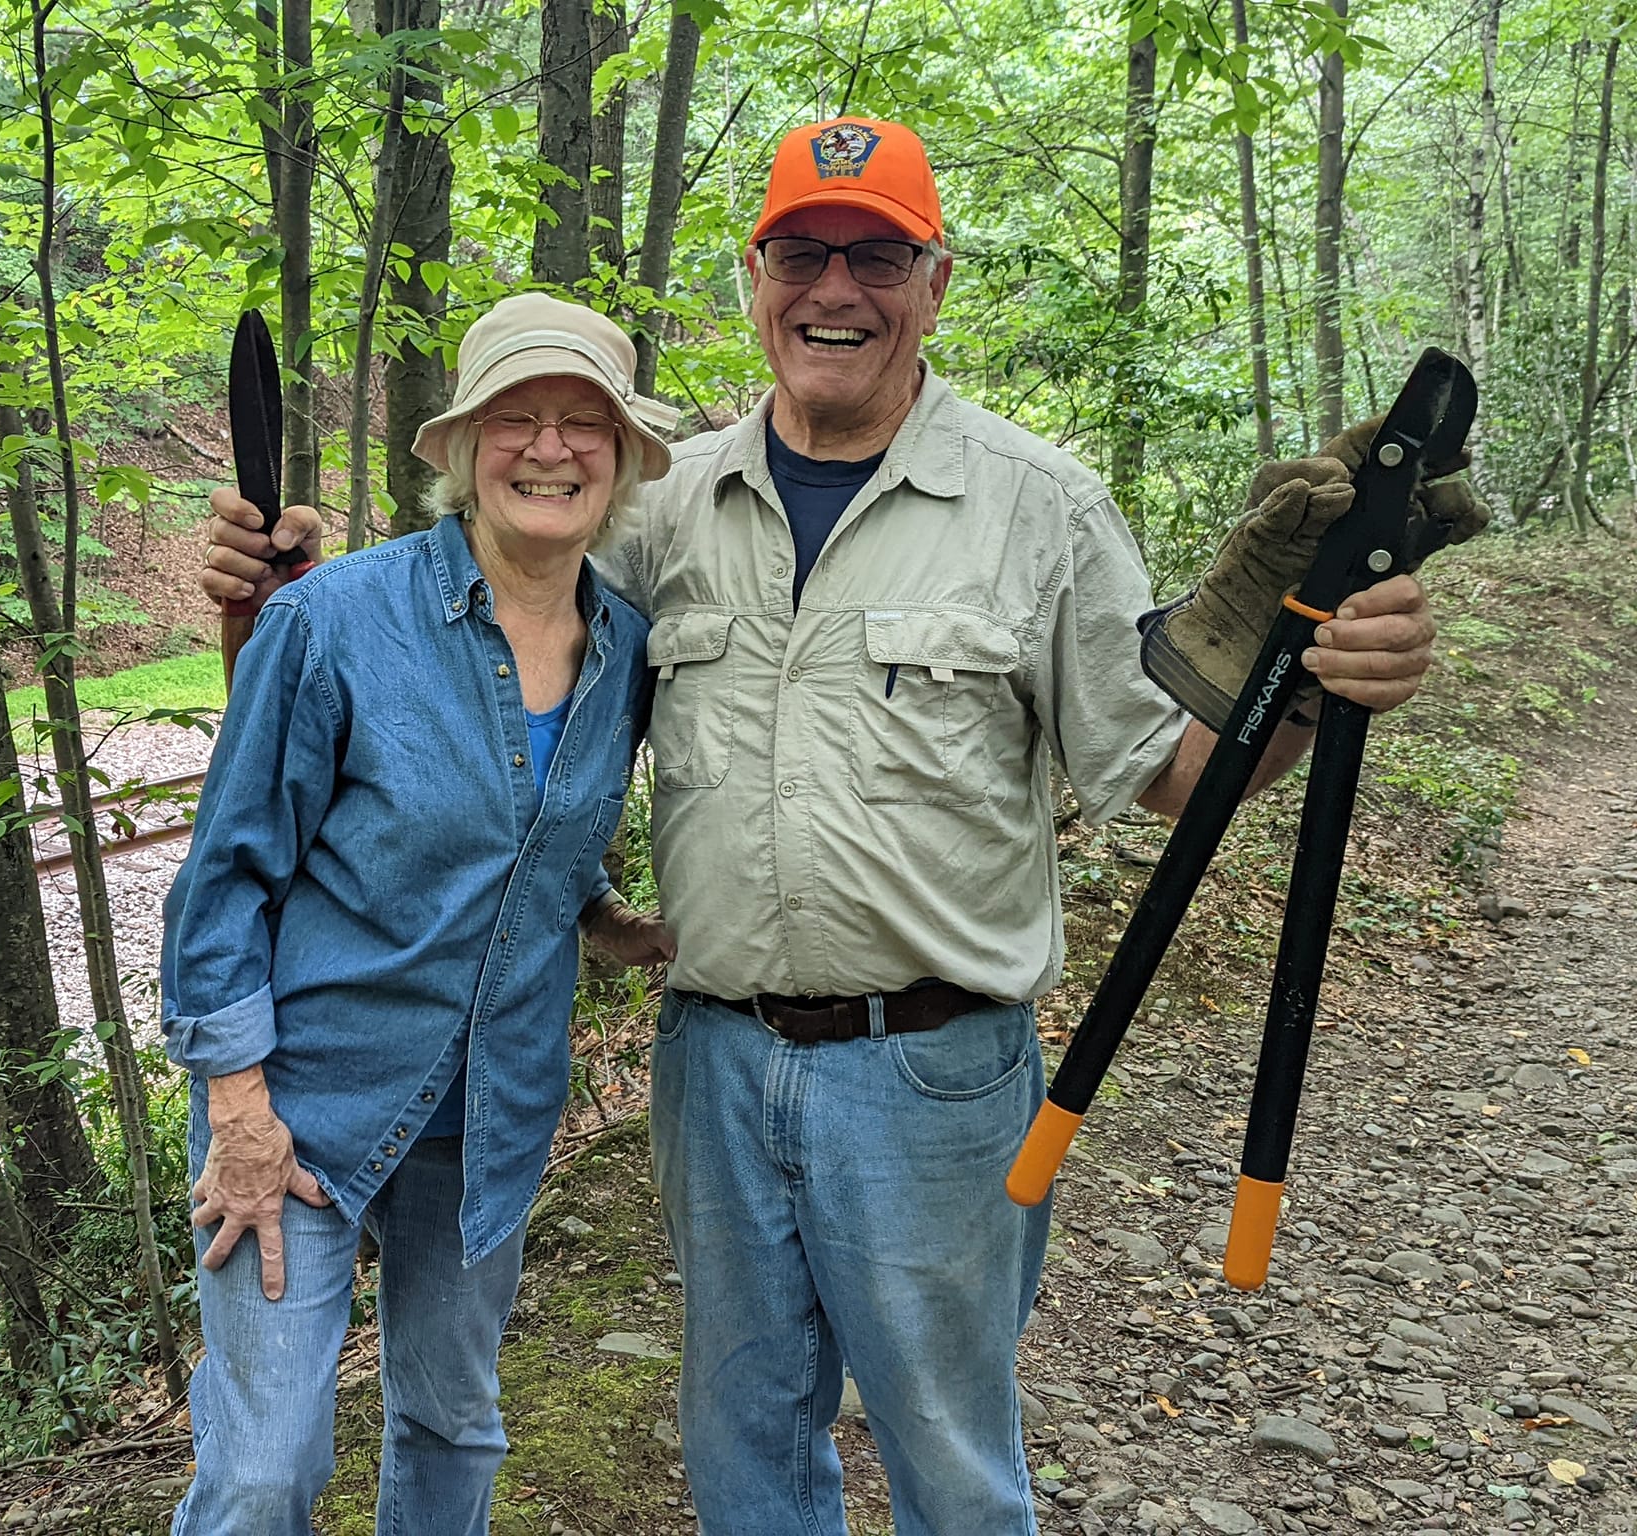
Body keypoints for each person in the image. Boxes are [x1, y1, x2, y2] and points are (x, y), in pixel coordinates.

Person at [198, 119, 1467, 1534]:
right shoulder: (663, 506)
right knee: (744, 1451)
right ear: (756, 278)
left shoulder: (1038, 508)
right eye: (801, 252)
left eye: (876, 255)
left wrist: (1311, 688)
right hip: (716, 1065)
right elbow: (467, 621)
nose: (834, 289)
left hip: (934, 1077)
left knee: (948, 1459)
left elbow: (1167, 776)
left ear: (935, 280)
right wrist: (279, 592)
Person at [161, 290, 679, 1533]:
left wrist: (611, 923)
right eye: (516, 419)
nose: (548, 449)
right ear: (459, 448)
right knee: (264, 1468)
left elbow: (528, 840)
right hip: (299, 1109)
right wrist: (238, 1111)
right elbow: (225, 876)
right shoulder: (332, 618)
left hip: (489, 1120)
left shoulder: (630, 651)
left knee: (455, 1423)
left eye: (582, 423)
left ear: (620, 460)